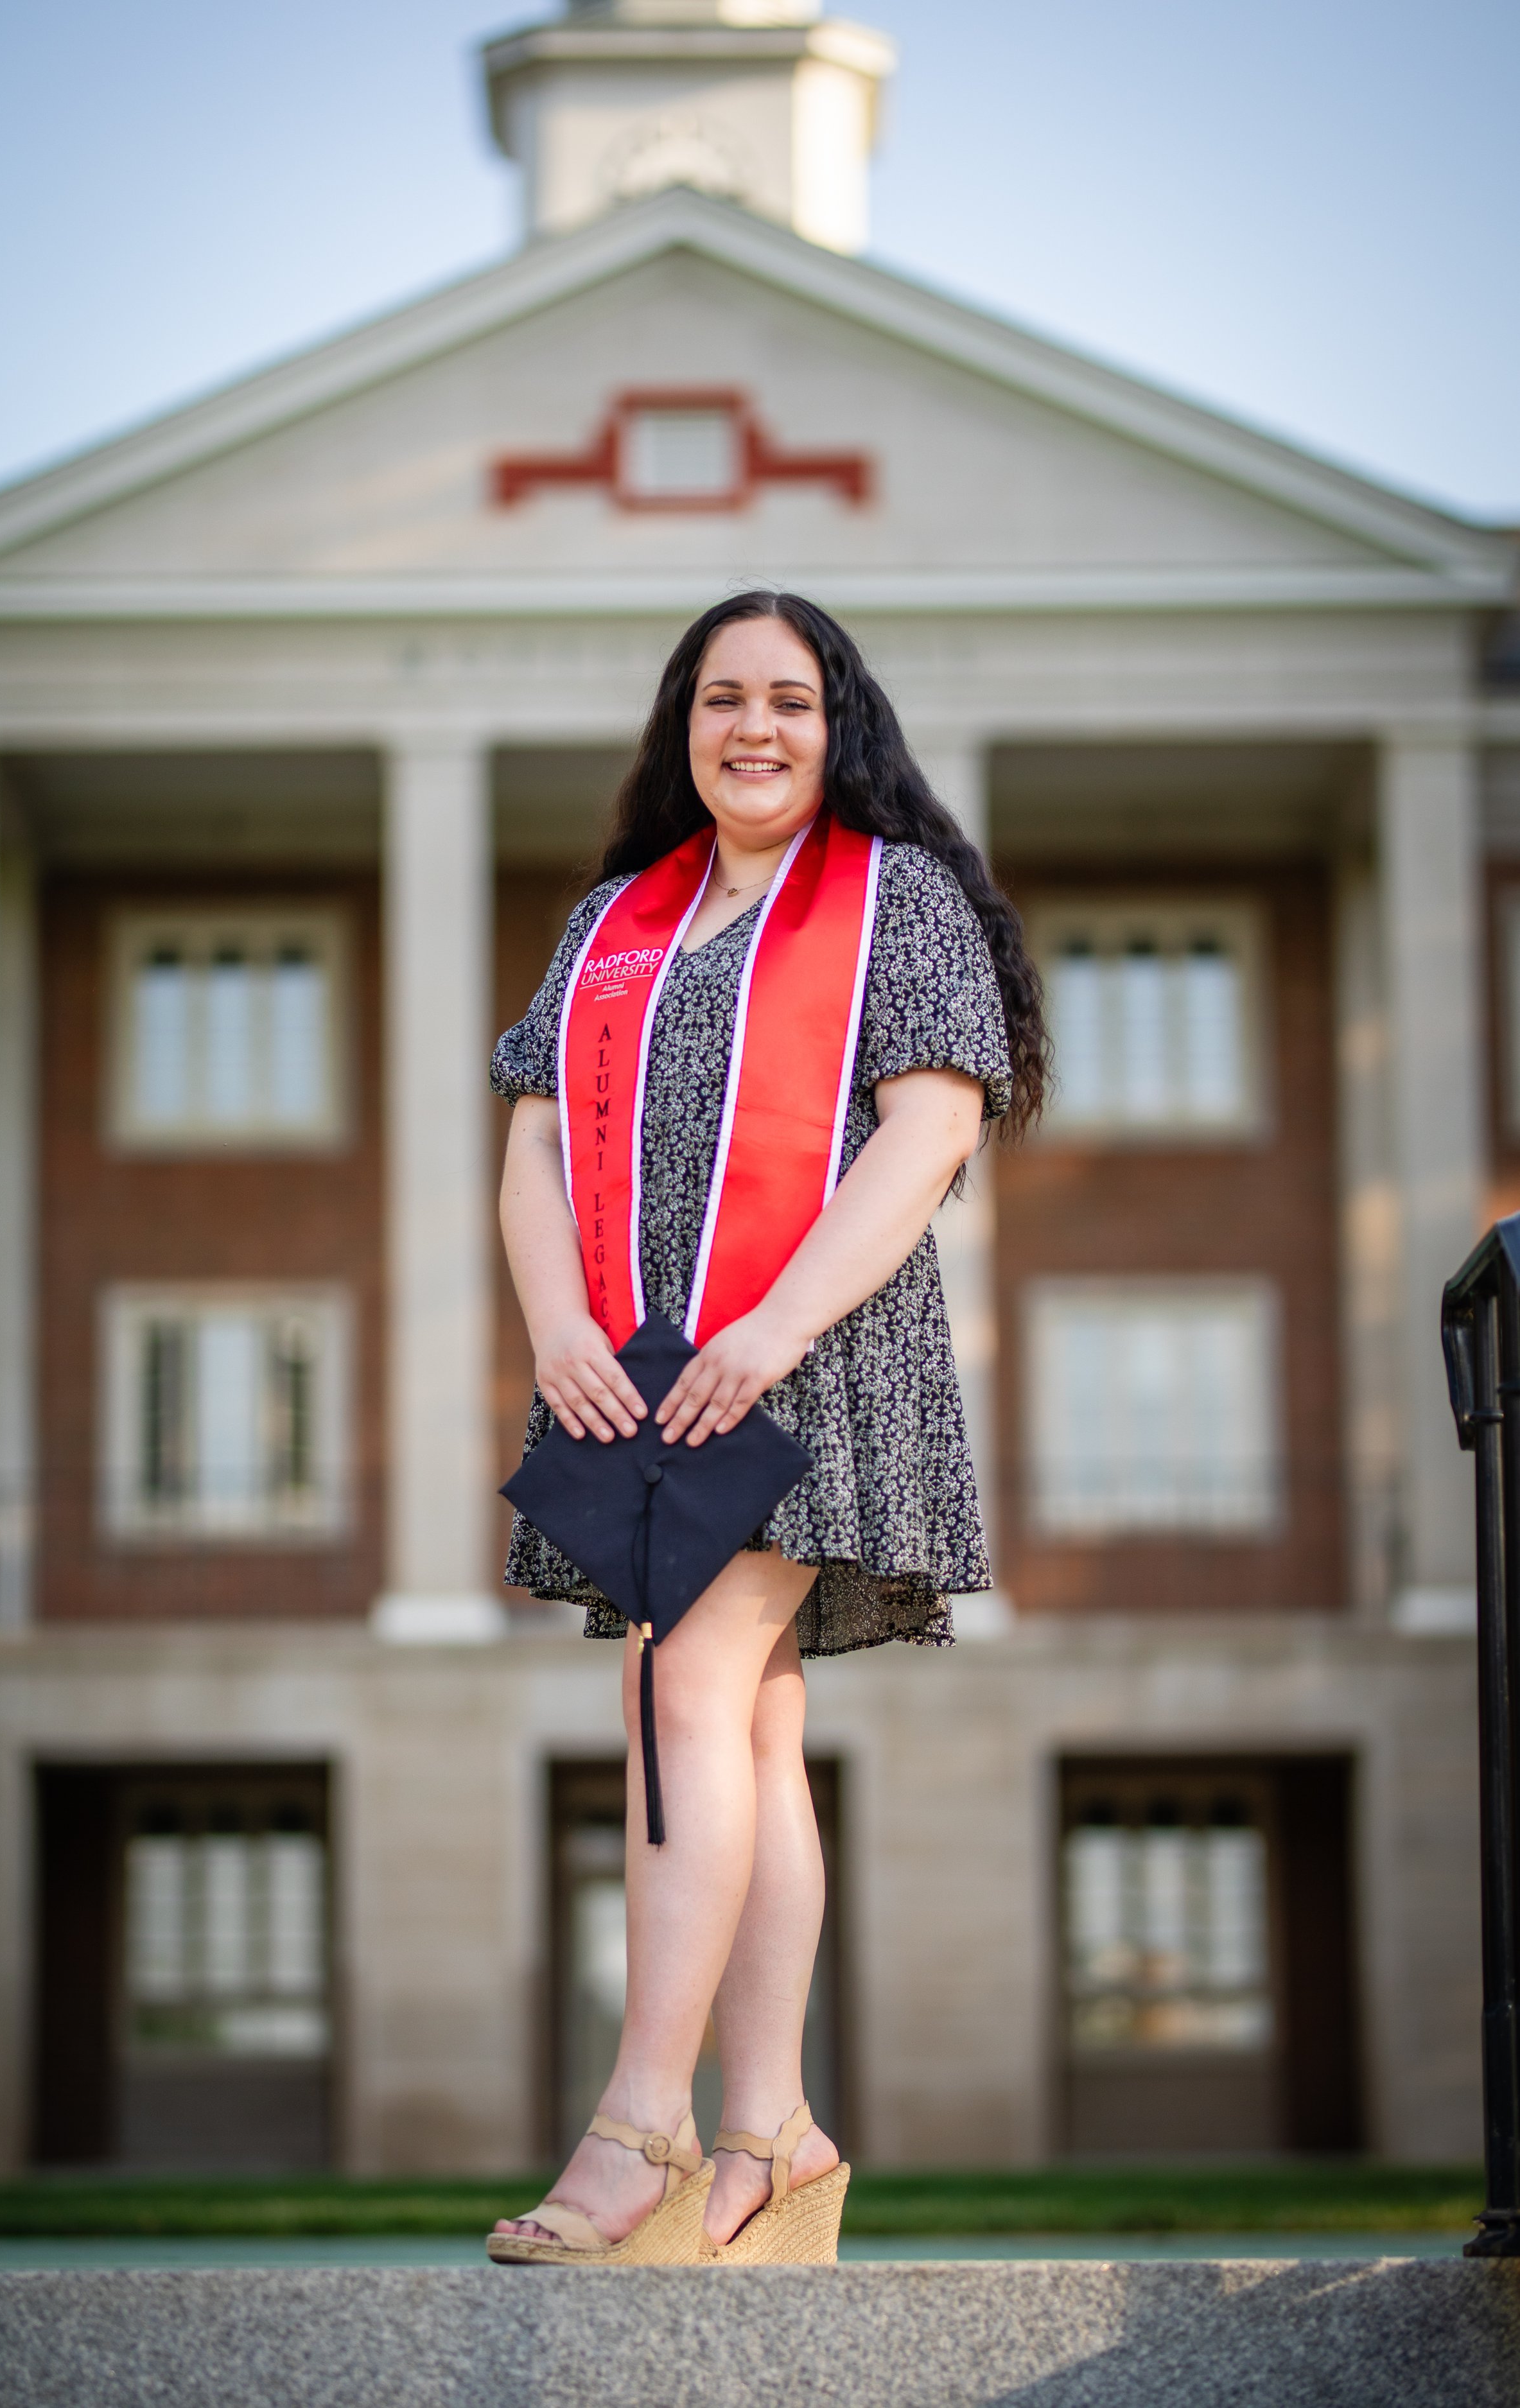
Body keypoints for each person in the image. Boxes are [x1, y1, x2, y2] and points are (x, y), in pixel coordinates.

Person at [486, 591, 1047, 2265]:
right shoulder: (611, 923)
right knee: (747, 1721)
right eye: (720, 698)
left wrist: (768, 1334)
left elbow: (928, 1130)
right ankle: (769, 2129)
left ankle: (639, 2122)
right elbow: (530, 1144)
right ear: (682, 726)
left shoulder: (899, 902)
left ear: (837, 723)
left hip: (807, 1344)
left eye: (788, 701)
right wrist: (562, 1328)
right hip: (634, 1356)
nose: (752, 727)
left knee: (677, 1679)